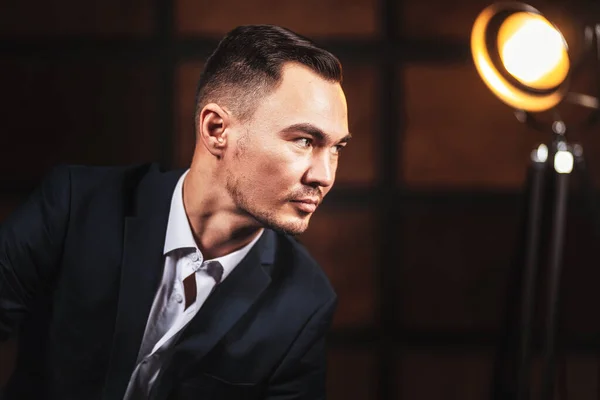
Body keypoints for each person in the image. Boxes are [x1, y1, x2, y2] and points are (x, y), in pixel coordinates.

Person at [0, 24, 350, 399]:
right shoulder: (75, 205)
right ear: (216, 129)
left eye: (336, 148)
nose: (325, 176)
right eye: (304, 140)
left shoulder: (306, 299)